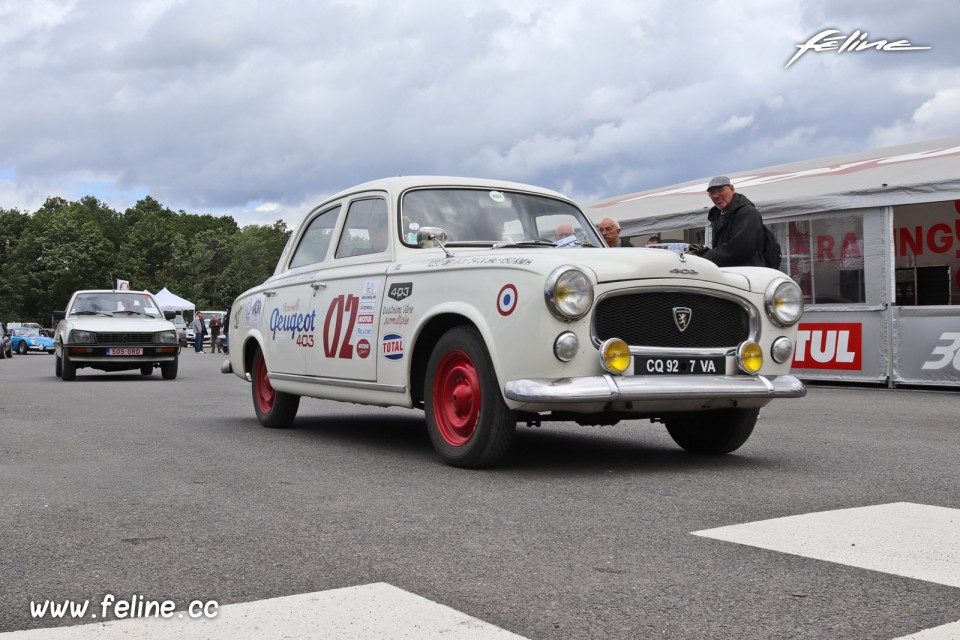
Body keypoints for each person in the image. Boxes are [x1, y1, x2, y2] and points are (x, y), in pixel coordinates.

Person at [698, 176, 765, 267]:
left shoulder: (747, 212)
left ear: (731, 189)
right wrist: (700, 252)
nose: (715, 196)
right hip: (728, 273)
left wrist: (704, 258)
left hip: (746, 274)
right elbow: (721, 247)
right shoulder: (717, 216)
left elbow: (740, 249)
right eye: (711, 193)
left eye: (720, 190)